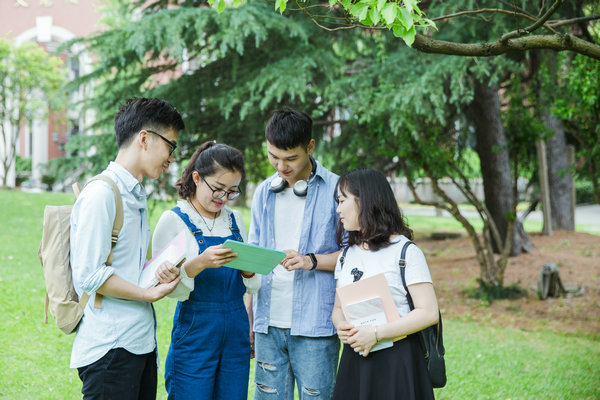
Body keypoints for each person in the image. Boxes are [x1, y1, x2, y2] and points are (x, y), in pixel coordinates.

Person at [70, 97, 185, 400]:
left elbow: (126, 267)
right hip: (110, 348)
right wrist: (148, 293)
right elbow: (90, 275)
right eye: (170, 146)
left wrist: (156, 273)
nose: (172, 158)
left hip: (139, 342)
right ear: (145, 139)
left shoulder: (135, 194)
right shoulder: (101, 194)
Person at [152, 141, 261, 400]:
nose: (223, 198)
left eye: (232, 191)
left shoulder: (234, 219)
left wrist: (248, 272)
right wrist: (199, 263)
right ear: (197, 178)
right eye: (218, 189)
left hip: (236, 327)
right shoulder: (174, 220)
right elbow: (163, 288)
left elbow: (252, 286)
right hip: (196, 327)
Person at [249, 109, 341, 400]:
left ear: (311, 147)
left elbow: (357, 256)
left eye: (291, 159)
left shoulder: (338, 190)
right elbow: (253, 258)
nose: (281, 166)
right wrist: (249, 317)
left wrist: (310, 260)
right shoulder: (264, 192)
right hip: (267, 324)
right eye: (273, 156)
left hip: (316, 325)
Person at [331, 168, 439, 400]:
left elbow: (429, 312)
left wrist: (377, 333)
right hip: (356, 360)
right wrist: (342, 326)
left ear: (365, 201)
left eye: (342, 201)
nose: (338, 209)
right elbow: (338, 309)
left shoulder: (406, 251)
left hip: (397, 362)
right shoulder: (346, 255)